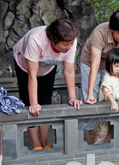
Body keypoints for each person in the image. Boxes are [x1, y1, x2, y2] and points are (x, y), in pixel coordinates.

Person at [13, 18, 82, 150]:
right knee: (29, 102)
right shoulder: (36, 40)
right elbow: (32, 75)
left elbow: (69, 70)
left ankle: (44, 142)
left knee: (45, 100)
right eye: (65, 45)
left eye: (71, 44)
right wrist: (33, 103)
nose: (69, 47)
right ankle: (36, 143)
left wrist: (72, 97)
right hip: (24, 65)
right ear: (54, 40)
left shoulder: (70, 42)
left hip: (48, 65)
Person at [95, 48, 119, 143]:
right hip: (106, 107)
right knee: (102, 132)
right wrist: (112, 101)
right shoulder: (108, 77)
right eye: (116, 66)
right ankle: (97, 149)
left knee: (114, 132)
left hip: (117, 107)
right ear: (109, 65)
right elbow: (106, 91)